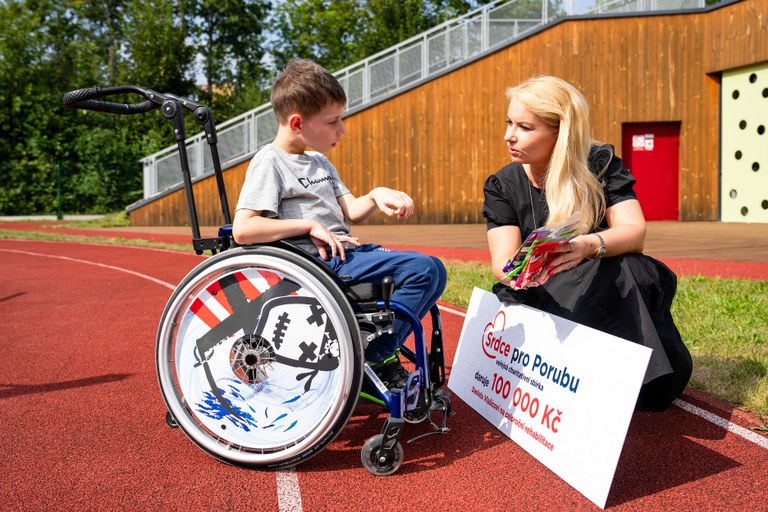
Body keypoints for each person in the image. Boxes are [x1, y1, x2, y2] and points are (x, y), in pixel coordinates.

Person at [232, 58, 447, 390]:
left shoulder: (319, 162)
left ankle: (372, 350)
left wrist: (377, 195)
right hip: (318, 266)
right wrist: (306, 225)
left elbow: (353, 211)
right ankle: (372, 354)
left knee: (433, 272)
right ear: (297, 123)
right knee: (425, 270)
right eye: (333, 122)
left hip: (347, 255)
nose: (342, 130)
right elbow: (243, 229)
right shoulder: (269, 162)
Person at [482, 75, 692, 411]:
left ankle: (642, 380)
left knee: (631, 268)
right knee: (605, 276)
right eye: (509, 123)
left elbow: (634, 231)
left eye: (524, 127)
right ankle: (636, 381)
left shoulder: (600, 164)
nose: (509, 135)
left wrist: (588, 245)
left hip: (602, 277)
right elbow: (503, 264)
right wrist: (530, 269)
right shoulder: (502, 185)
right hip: (546, 288)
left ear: (560, 132)